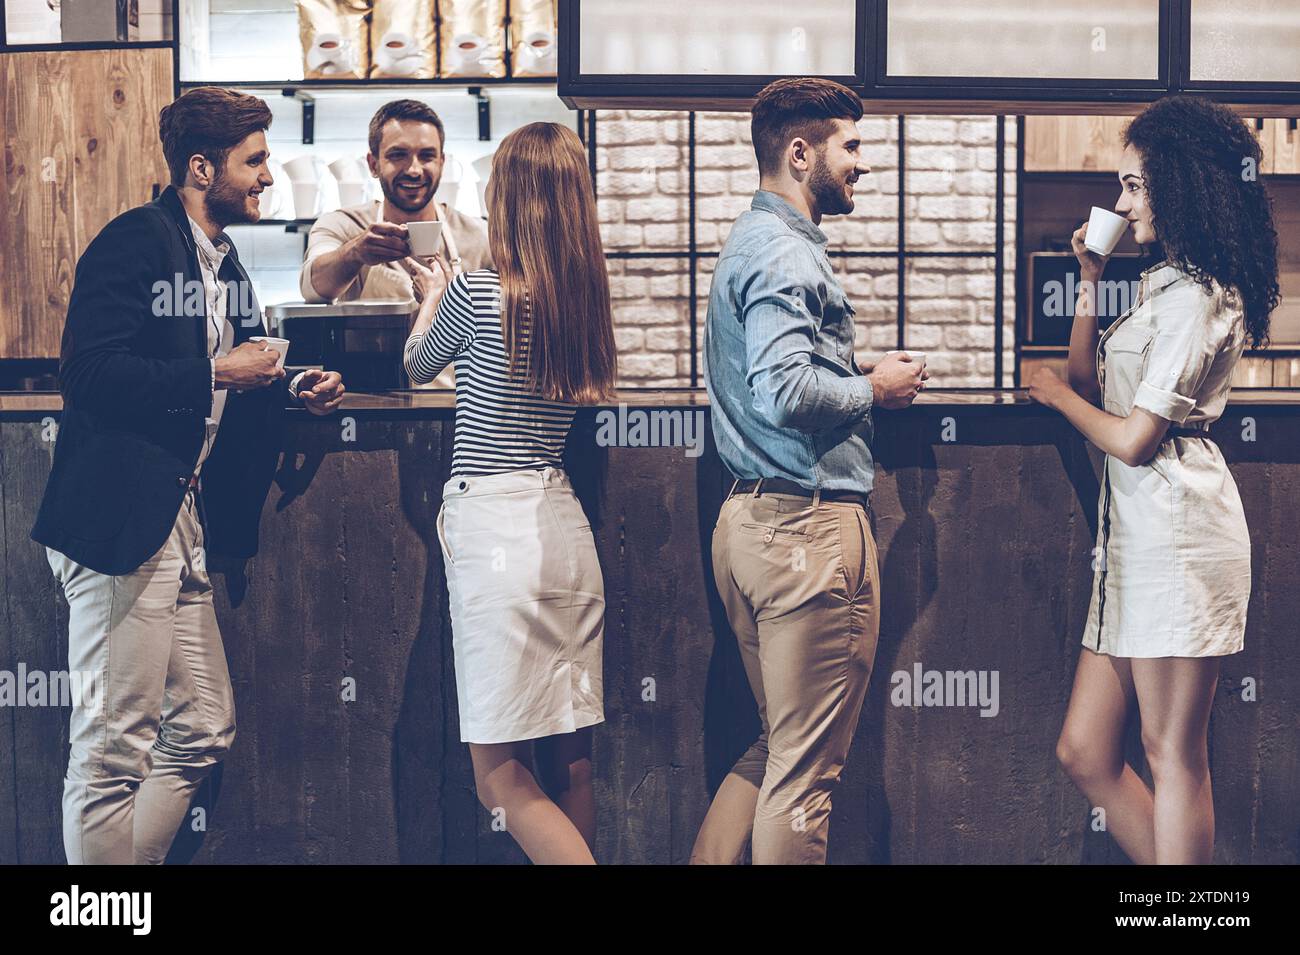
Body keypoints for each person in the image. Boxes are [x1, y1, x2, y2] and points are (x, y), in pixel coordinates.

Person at [30, 86, 346, 865]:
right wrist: (218, 372)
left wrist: (289, 381)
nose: (267, 176)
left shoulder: (223, 262)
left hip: (182, 525)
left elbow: (229, 370)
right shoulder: (135, 241)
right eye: (255, 161)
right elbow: (92, 375)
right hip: (119, 524)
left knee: (202, 724)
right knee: (111, 747)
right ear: (201, 167)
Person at [1028, 95, 1279, 864]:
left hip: (1177, 535)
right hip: (1131, 544)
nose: (1122, 201)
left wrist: (1056, 398)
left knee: (1172, 752)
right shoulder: (1161, 287)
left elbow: (1133, 439)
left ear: (1179, 182)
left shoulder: (1205, 296)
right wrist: (1089, 278)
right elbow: (1089, 381)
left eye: (1134, 185)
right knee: (1085, 749)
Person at [693, 77, 926, 865]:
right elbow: (785, 388)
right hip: (807, 534)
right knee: (804, 777)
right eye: (851, 147)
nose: (863, 165)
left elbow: (779, 375)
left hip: (753, 526)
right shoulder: (787, 254)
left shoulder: (753, 244)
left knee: (776, 749)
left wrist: (853, 370)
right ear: (801, 153)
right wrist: (873, 387)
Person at [403, 122, 617, 864]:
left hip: (496, 531)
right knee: (571, 756)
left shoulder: (473, 290)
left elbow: (416, 364)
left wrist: (432, 295)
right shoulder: (580, 300)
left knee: (496, 776)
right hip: (563, 528)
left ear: (507, 197)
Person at [300, 99, 491, 387]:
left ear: (442, 162)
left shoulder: (479, 234)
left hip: (456, 408)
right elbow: (312, 288)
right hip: (371, 401)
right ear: (373, 164)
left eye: (427, 156)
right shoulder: (341, 225)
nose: (414, 170)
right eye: (398, 155)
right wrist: (356, 253)